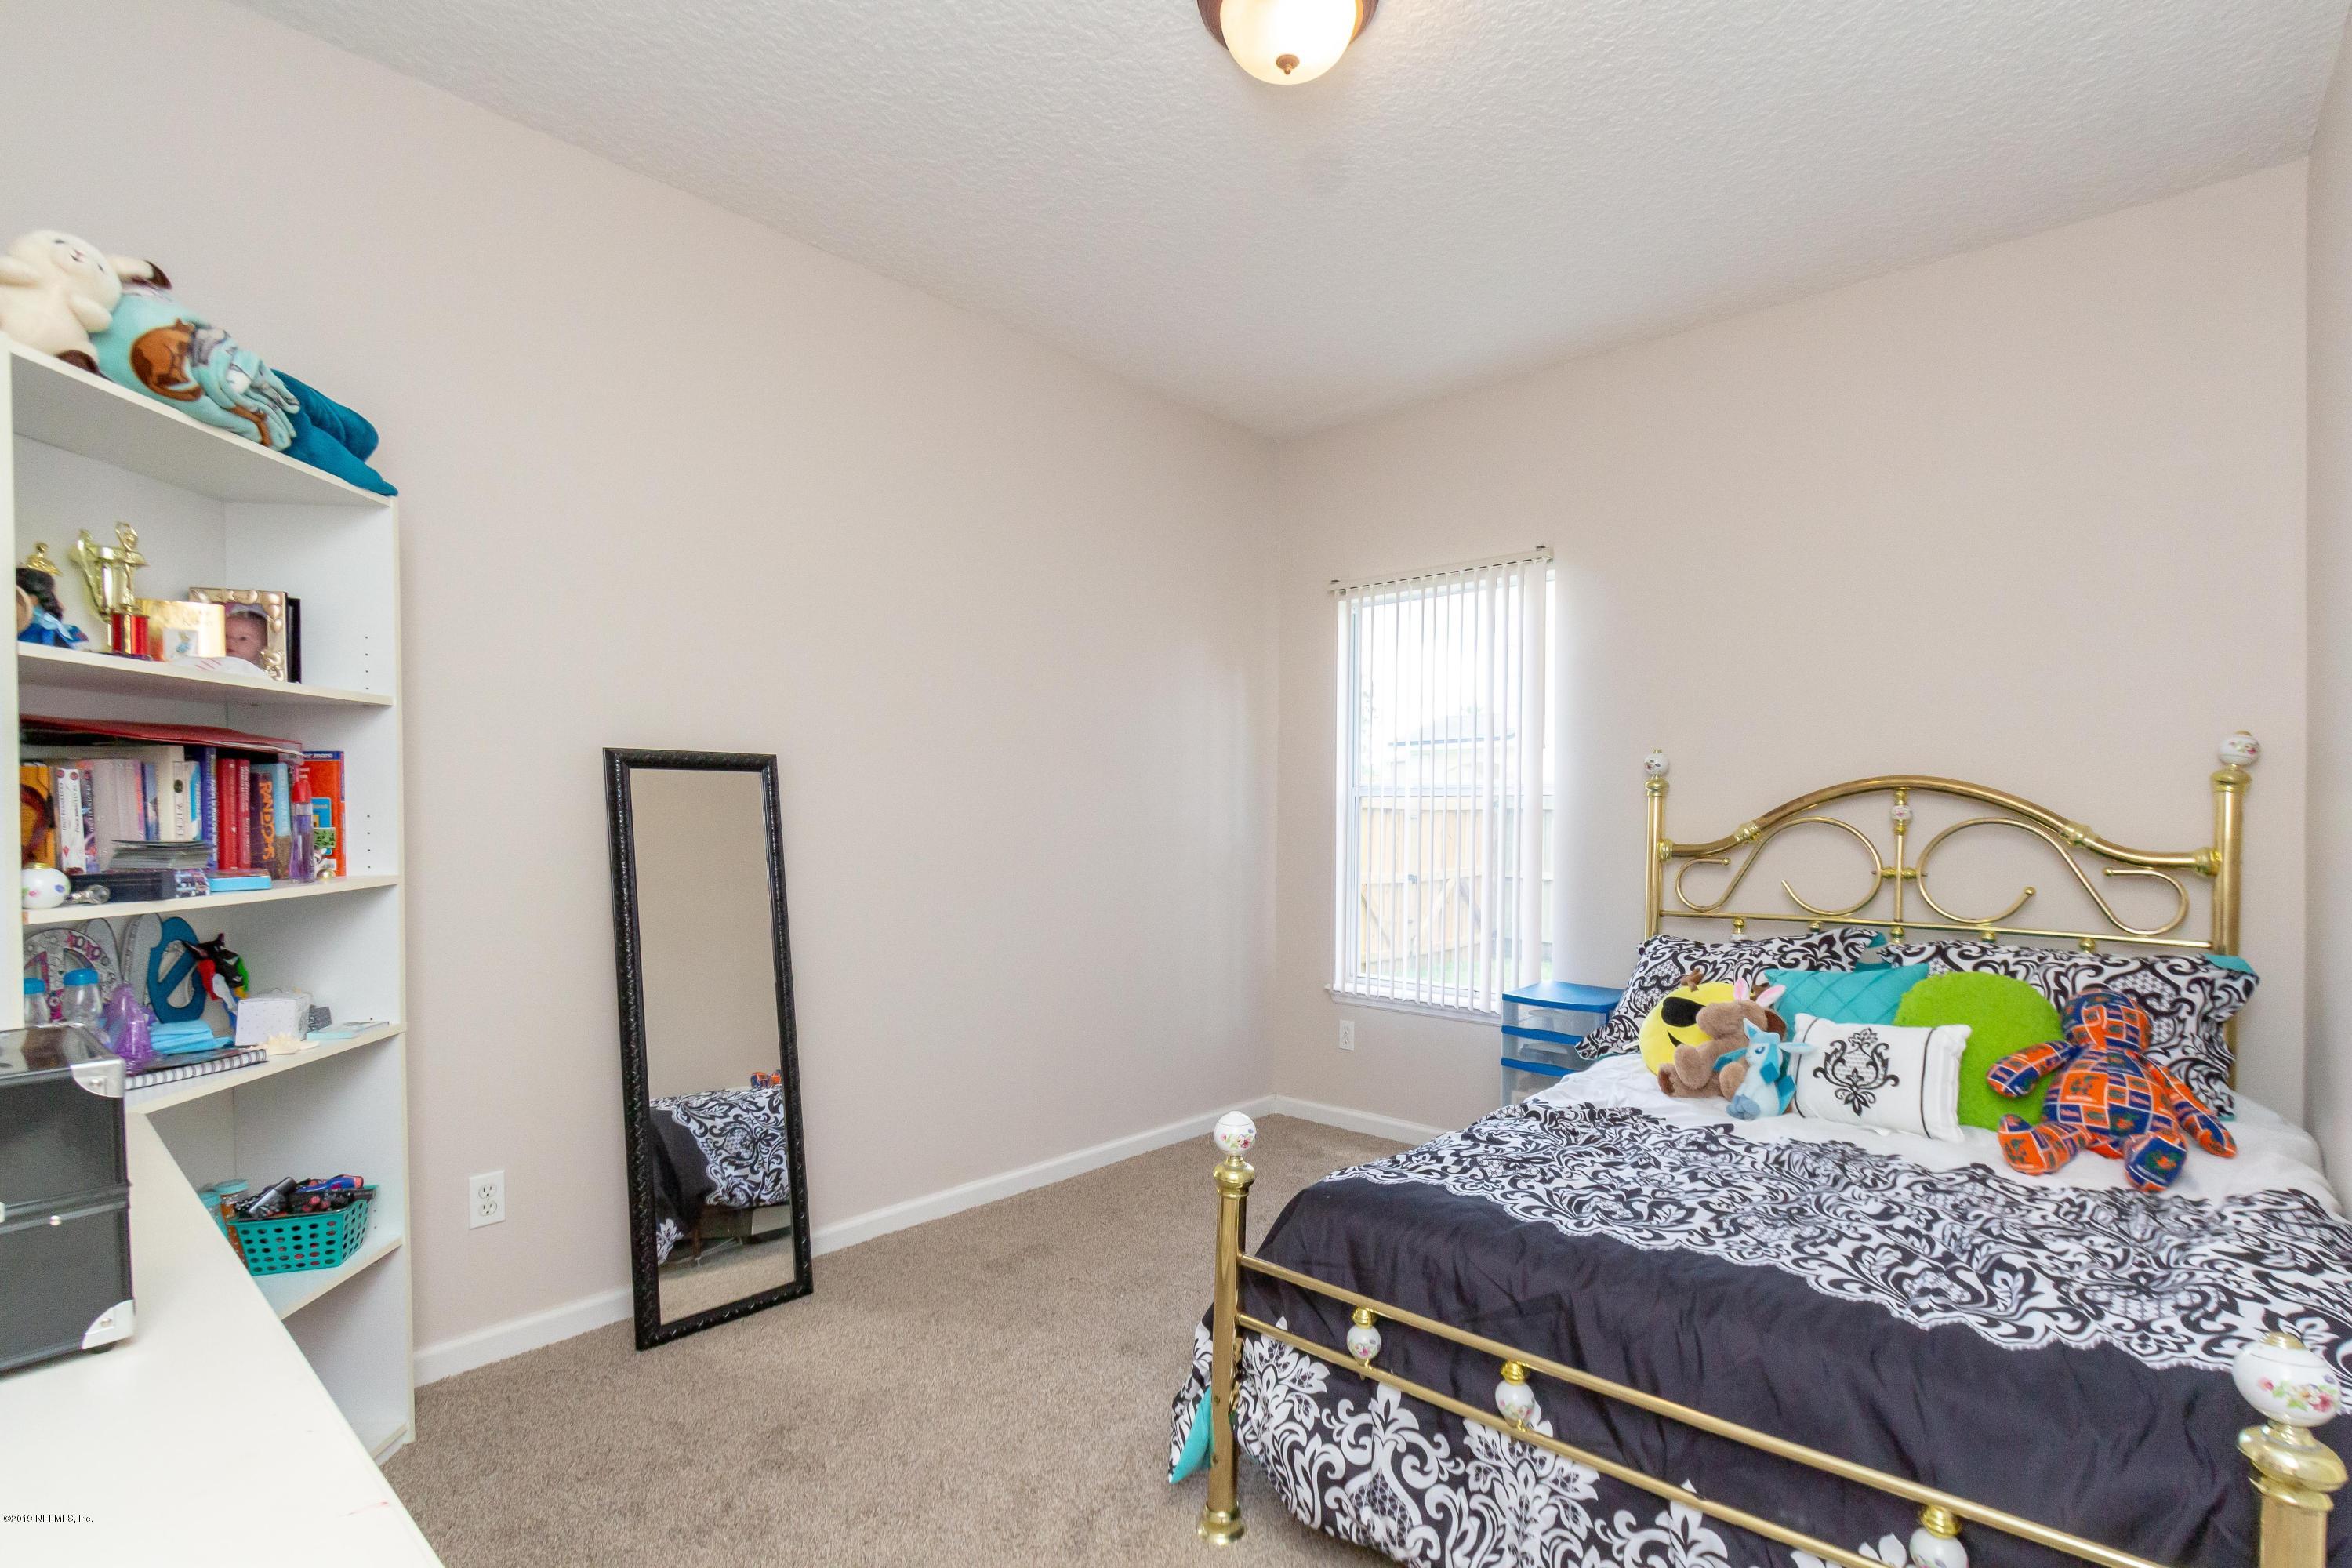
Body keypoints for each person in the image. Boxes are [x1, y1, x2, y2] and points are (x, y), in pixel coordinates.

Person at [223, 604, 270, 669]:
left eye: (243, 638)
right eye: (226, 636)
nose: (230, 641)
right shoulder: (216, 663)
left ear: (264, 644)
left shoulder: (262, 671)